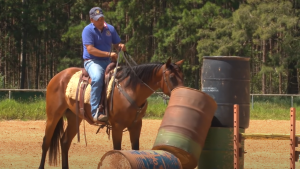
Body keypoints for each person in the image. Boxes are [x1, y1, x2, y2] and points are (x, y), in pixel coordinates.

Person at [82, 7, 126, 122]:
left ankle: (119, 107)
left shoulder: (110, 29)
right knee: (97, 78)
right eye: (98, 19)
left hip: (108, 61)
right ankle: (95, 111)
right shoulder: (87, 30)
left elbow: (116, 44)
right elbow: (90, 50)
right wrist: (109, 53)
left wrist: (120, 46)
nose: (101, 21)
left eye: (102, 18)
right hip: (92, 61)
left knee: (124, 76)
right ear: (91, 20)